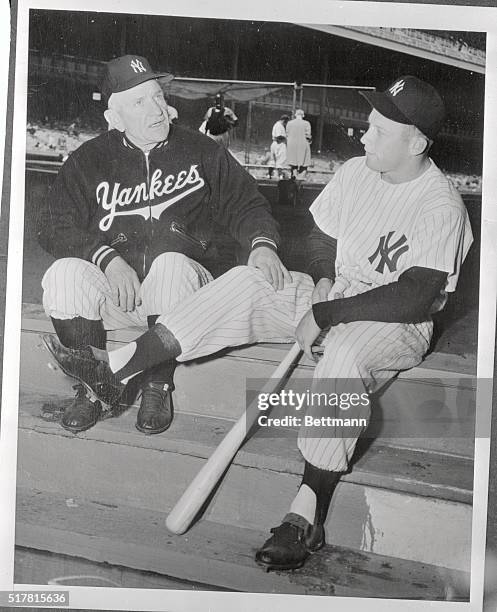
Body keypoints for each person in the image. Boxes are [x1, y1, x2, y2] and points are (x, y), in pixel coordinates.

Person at [43, 75, 473, 571]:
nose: (363, 136)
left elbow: (416, 296)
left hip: (395, 319)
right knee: (250, 280)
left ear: (416, 142)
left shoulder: (441, 203)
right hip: (334, 297)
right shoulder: (358, 171)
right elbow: (321, 239)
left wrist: (326, 313)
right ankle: (118, 369)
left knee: (346, 353)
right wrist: (324, 278)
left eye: (377, 130)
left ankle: (305, 510)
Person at [37, 54, 287, 436]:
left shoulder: (202, 150)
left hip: (183, 299)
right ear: (114, 118)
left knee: (170, 262)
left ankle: (157, 385)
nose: (158, 110)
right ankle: (95, 388)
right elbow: (52, 225)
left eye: (157, 96)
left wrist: (262, 243)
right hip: (119, 298)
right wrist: (105, 258)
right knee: (64, 273)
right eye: (140, 102)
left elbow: (247, 204)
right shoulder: (88, 159)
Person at [286, 109, 312, 179]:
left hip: (292, 145)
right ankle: (300, 178)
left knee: (293, 162)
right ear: (303, 115)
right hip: (303, 144)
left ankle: (294, 175)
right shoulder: (307, 123)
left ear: (295, 115)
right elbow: (308, 136)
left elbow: (287, 134)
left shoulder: (289, 123)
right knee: (304, 163)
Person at [268, 114, 289, 179]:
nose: (286, 124)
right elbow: (279, 137)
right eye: (286, 122)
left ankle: (269, 174)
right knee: (280, 160)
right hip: (279, 144)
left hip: (275, 144)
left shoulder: (277, 125)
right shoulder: (279, 125)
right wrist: (286, 138)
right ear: (284, 120)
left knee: (273, 160)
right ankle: (280, 175)